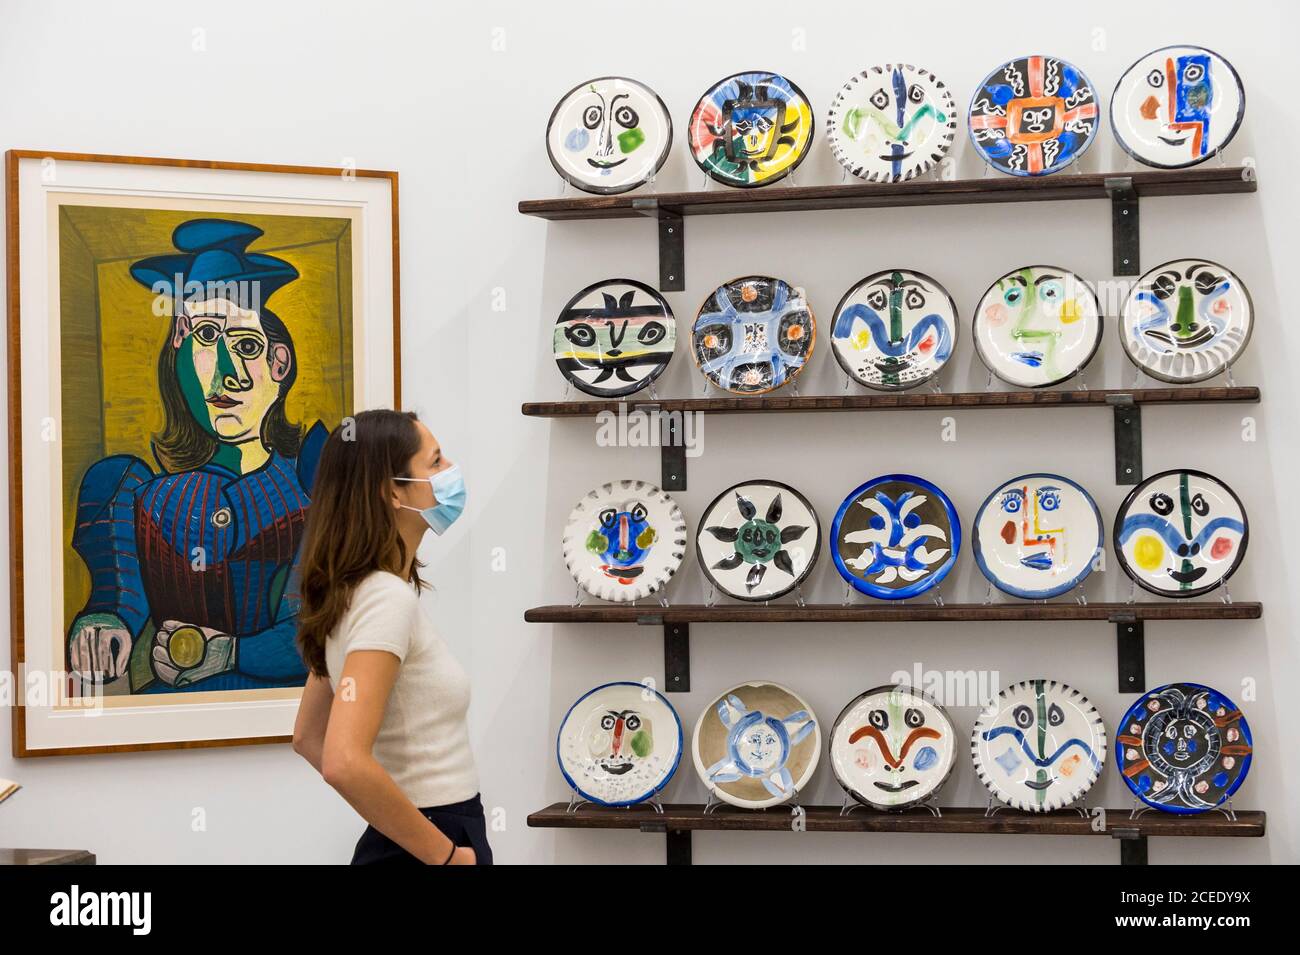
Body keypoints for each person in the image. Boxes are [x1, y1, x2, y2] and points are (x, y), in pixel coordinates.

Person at [291, 409, 489, 864]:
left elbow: (307, 735)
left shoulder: (353, 592)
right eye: (436, 462)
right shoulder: (384, 599)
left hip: (418, 837)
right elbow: (341, 760)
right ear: (392, 492)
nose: (450, 472)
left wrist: (392, 819)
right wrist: (446, 856)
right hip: (439, 833)